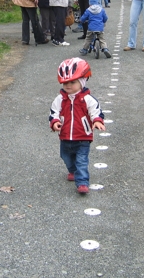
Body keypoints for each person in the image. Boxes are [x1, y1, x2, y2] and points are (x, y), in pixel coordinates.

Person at [49, 58, 105, 194]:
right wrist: (55, 122)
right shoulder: (60, 99)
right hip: (65, 136)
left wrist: (97, 120)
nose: (68, 85)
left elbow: (96, 111)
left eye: (72, 82)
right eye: (65, 83)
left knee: (82, 160)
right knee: (65, 157)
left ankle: (82, 182)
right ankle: (72, 171)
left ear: (81, 82)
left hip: (83, 137)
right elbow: (54, 112)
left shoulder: (87, 99)